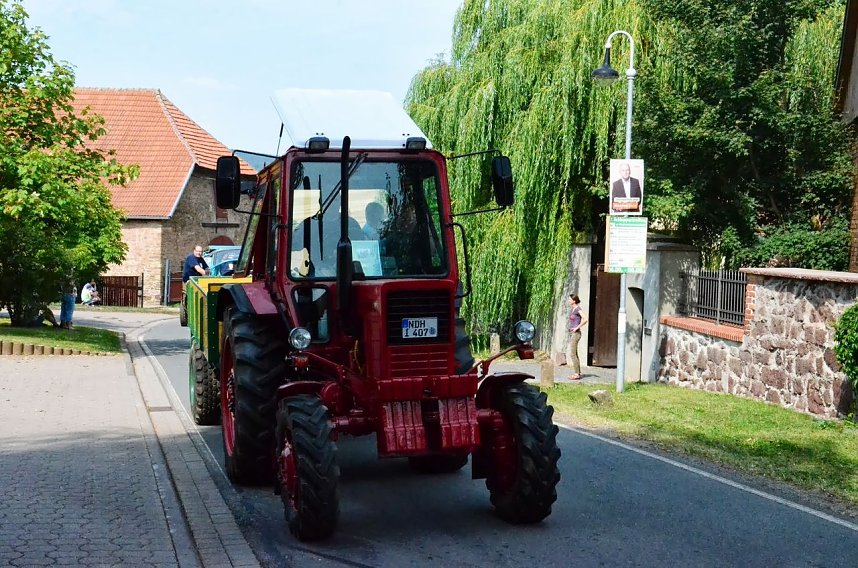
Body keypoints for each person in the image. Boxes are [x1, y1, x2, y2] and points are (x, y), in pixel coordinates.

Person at [566, 294, 589, 380]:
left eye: (569, 299)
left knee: (572, 354)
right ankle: (577, 372)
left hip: (576, 334)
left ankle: (576, 374)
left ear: (574, 300)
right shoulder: (573, 309)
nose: (568, 300)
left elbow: (586, 319)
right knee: (574, 353)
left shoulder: (577, 309)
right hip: (572, 333)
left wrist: (576, 328)